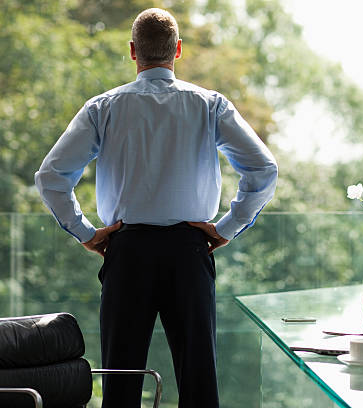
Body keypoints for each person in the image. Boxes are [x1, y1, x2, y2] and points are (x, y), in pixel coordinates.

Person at [34, 7, 277, 408]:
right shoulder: (209, 105)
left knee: (121, 381)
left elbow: (51, 177)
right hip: (190, 251)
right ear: (177, 50)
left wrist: (87, 234)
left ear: (133, 51)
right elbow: (264, 169)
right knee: (199, 381)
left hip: (126, 252)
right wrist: (226, 227)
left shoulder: (102, 108)